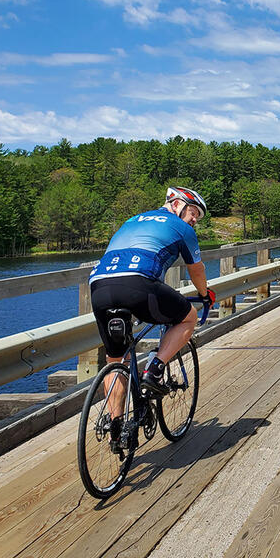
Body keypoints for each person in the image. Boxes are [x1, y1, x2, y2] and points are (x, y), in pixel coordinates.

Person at [89, 187, 216, 440]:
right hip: (138, 284)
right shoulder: (182, 229)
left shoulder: (132, 220)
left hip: (99, 286)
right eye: (193, 213)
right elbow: (197, 269)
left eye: (197, 218)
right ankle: (155, 368)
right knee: (188, 316)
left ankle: (117, 429)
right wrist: (204, 294)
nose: (194, 220)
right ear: (177, 204)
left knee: (116, 361)